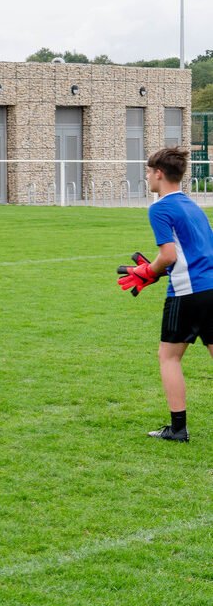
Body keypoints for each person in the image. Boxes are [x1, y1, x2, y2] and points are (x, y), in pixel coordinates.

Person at [118, 146, 213, 442]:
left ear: (159, 174)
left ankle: (178, 429)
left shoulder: (159, 208)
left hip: (186, 293)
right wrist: (158, 270)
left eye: (148, 171)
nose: (147, 177)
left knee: (169, 357)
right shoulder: (192, 205)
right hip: (211, 287)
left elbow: (169, 256)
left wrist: (149, 272)